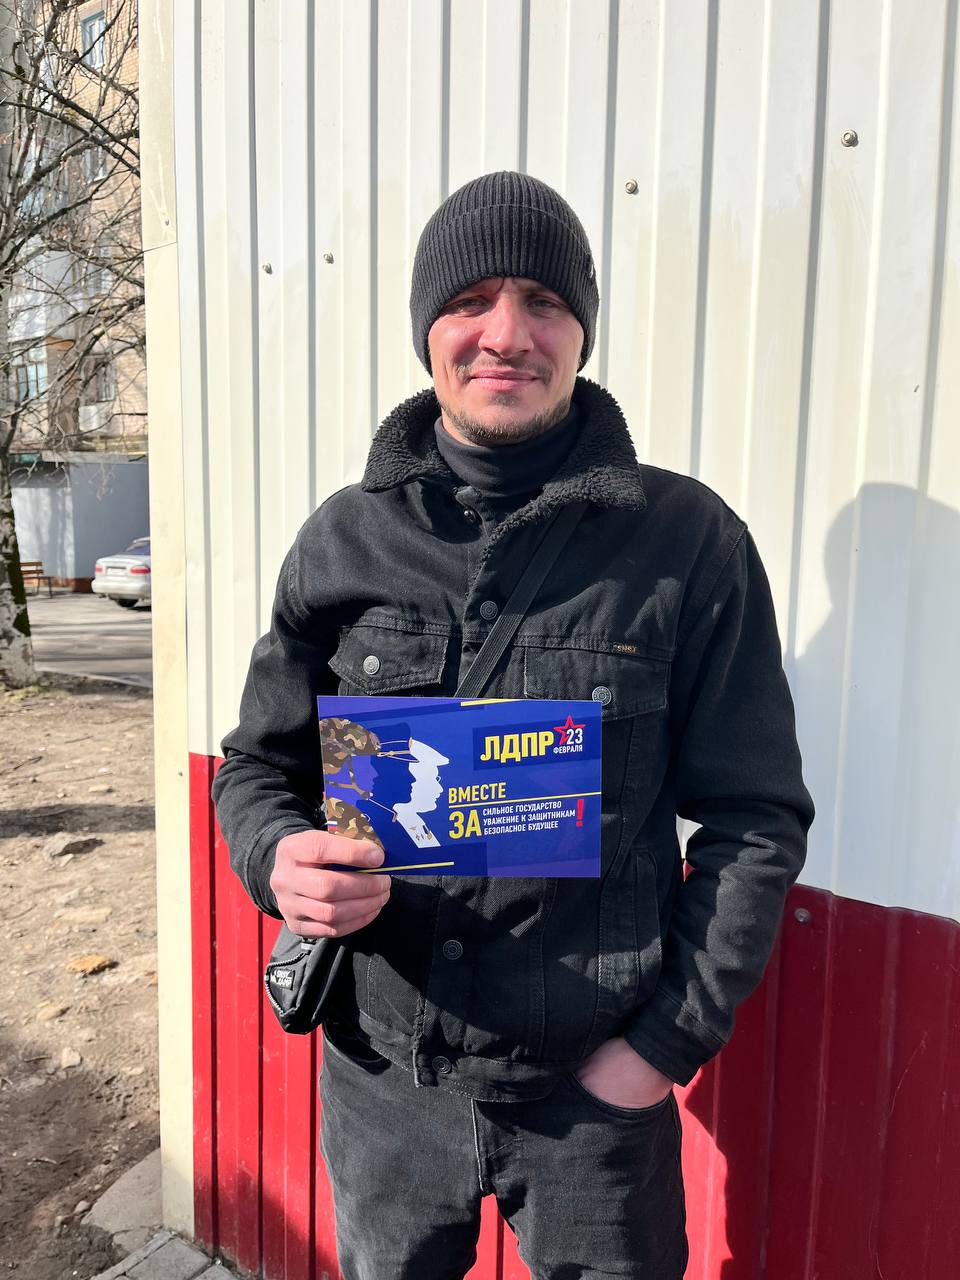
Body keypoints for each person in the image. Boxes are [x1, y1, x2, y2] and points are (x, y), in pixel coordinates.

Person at [213, 171, 814, 1280]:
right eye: (471, 300)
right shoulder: (344, 539)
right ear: (427, 330)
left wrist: (658, 1048)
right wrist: (279, 857)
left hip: (593, 1105)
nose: (507, 333)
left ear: (581, 328)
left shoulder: (689, 542)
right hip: (384, 1080)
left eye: (542, 300)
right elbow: (256, 765)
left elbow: (755, 819)